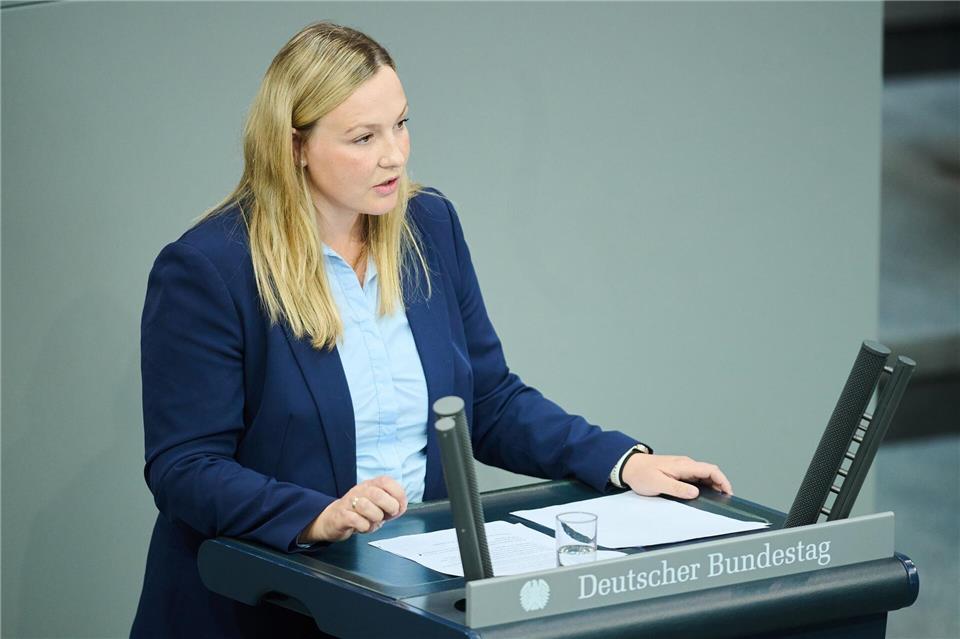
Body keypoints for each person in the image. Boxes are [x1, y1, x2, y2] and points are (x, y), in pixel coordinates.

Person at [131, 21, 733, 639]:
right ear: (295, 146)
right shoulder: (211, 268)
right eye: (364, 137)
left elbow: (488, 401)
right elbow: (185, 465)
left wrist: (621, 461)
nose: (394, 154)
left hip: (402, 594)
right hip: (262, 610)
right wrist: (317, 517)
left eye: (401, 124)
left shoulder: (427, 226)